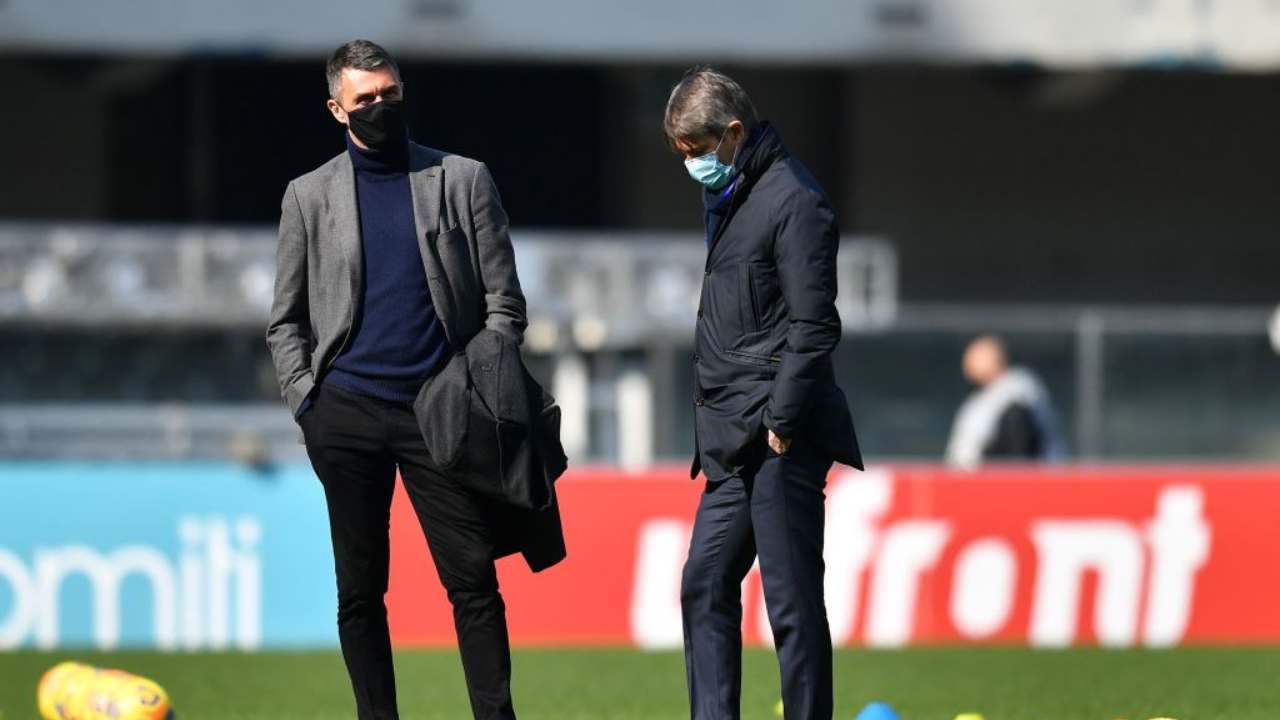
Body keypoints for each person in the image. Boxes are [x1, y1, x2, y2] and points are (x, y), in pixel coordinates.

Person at [266, 39, 563, 720]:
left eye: (390, 93)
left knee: (473, 581)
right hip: (344, 413)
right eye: (365, 98)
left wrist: (480, 380)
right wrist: (307, 401)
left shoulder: (462, 178)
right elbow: (285, 319)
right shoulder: (307, 196)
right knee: (360, 591)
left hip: (442, 413)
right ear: (336, 108)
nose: (380, 106)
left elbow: (504, 301)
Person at [663, 66, 863, 720]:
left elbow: (815, 325)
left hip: (780, 436)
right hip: (730, 439)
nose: (690, 165)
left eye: (696, 150)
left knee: (791, 604)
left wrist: (781, 420)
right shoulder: (729, 195)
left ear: (734, 132)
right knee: (704, 584)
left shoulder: (794, 201)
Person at [944, 334, 1066, 469]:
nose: (967, 363)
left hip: (1007, 478)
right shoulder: (984, 395)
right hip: (971, 477)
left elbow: (1018, 441)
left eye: (974, 357)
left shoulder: (1018, 388)